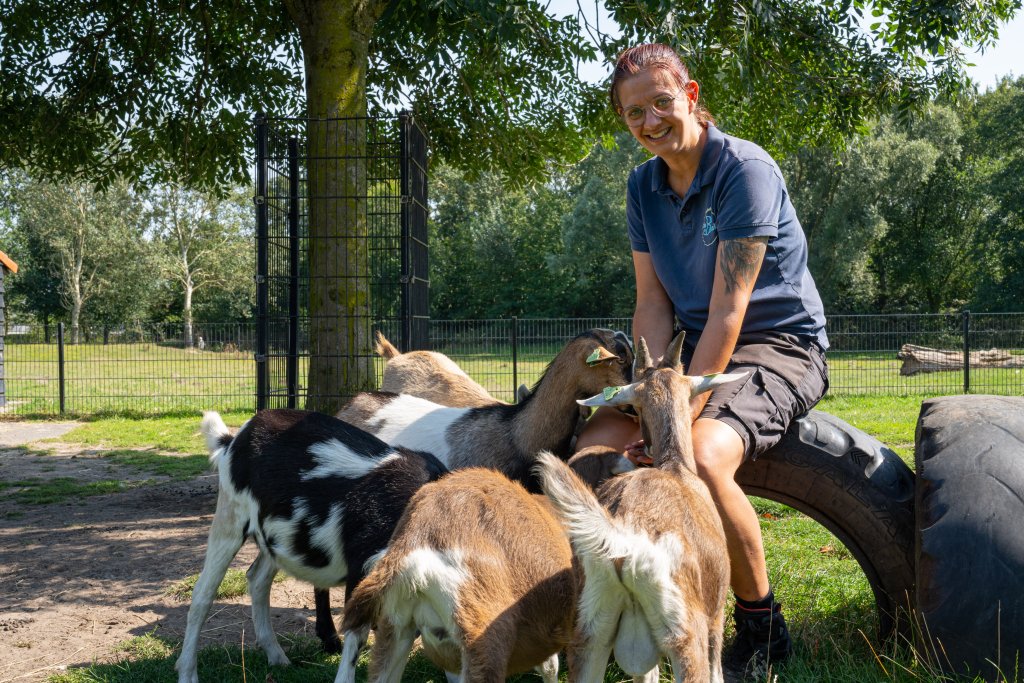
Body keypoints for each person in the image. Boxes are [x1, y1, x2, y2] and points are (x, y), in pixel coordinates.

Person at [573, 43, 830, 679]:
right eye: (634, 113)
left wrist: (679, 418)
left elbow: (729, 311)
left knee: (703, 457)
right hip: (685, 353)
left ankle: (761, 625)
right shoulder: (642, 185)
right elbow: (652, 305)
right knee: (588, 453)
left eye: (662, 102)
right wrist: (647, 389)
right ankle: (587, 614)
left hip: (777, 345)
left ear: (690, 96)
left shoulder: (746, 170)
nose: (650, 121)